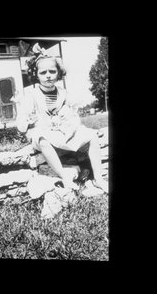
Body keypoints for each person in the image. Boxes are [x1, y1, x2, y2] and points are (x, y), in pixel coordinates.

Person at [16, 43, 108, 193]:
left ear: (58, 73)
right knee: (41, 139)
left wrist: (69, 122)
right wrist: (26, 122)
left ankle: (99, 178)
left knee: (91, 136)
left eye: (52, 71)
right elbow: (21, 120)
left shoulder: (63, 93)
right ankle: (64, 176)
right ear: (36, 74)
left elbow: (73, 113)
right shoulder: (31, 96)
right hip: (44, 132)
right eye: (43, 72)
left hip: (62, 130)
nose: (48, 75)